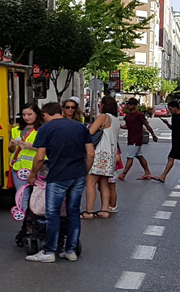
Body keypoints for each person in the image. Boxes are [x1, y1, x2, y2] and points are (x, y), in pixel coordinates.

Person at [25, 101, 93, 263]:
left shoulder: (46, 129)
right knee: (73, 212)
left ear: (45, 114)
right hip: (78, 175)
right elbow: (90, 154)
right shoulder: (80, 127)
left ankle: (49, 251)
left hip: (58, 175)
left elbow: (40, 157)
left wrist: (33, 175)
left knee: (53, 213)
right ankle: (70, 250)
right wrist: (84, 171)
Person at [84, 96, 121, 219]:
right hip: (110, 155)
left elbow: (90, 132)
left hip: (99, 153)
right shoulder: (116, 120)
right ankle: (105, 209)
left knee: (91, 182)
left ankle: (89, 211)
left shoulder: (103, 117)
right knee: (104, 183)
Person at [9, 105, 42, 221]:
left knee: (38, 196)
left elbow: (49, 148)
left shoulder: (42, 130)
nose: (26, 117)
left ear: (36, 114)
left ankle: (37, 220)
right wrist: (12, 145)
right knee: (22, 195)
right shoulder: (16, 130)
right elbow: (11, 150)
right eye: (24, 115)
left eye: (29, 114)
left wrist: (32, 147)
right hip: (19, 168)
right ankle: (26, 222)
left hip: (38, 168)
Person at [118, 98, 162, 182]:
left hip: (136, 139)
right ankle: (147, 172)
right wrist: (118, 126)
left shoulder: (139, 115)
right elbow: (127, 126)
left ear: (135, 105)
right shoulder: (127, 116)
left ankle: (123, 174)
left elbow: (147, 125)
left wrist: (153, 135)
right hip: (131, 138)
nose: (128, 106)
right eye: (127, 104)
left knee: (130, 157)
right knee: (139, 156)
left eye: (130, 104)